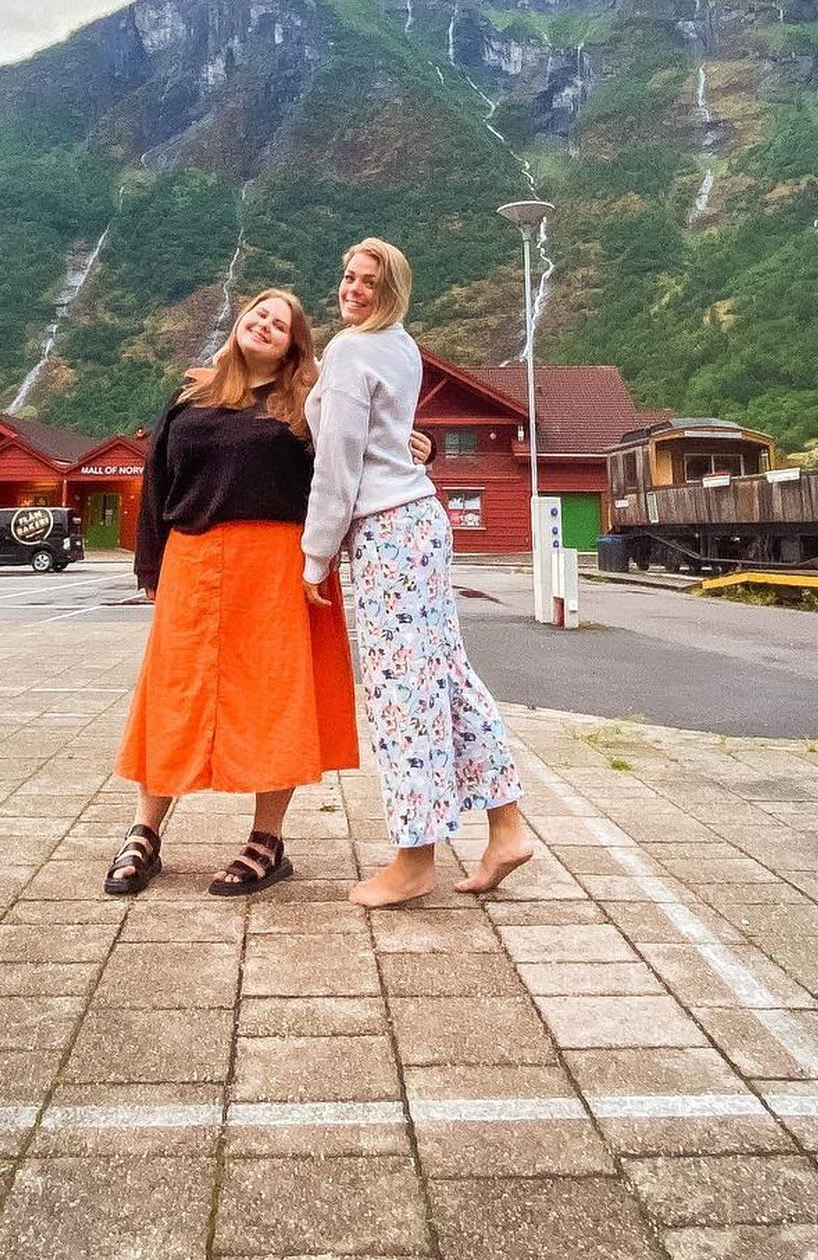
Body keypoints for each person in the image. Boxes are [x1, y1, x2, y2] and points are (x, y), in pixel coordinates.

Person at [302, 237, 536, 907]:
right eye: (347, 276)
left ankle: (413, 859)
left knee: (400, 691)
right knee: (445, 673)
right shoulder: (398, 346)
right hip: (422, 524)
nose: (352, 288)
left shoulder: (351, 351)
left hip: (385, 530)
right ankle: (507, 827)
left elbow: (339, 465)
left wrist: (316, 554)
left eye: (367, 281)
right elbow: (386, 435)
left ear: (391, 290)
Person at [107, 289, 360, 898]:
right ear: (240, 321)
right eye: (260, 314)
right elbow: (156, 478)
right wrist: (151, 567)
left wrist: (417, 444)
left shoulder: (309, 403)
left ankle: (266, 842)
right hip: (191, 558)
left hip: (279, 564)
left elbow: (358, 450)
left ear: (295, 344)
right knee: (174, 694)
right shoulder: (190, 395)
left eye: (282, 323)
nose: (267, 325)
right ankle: (145, 831)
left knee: (275, 698)